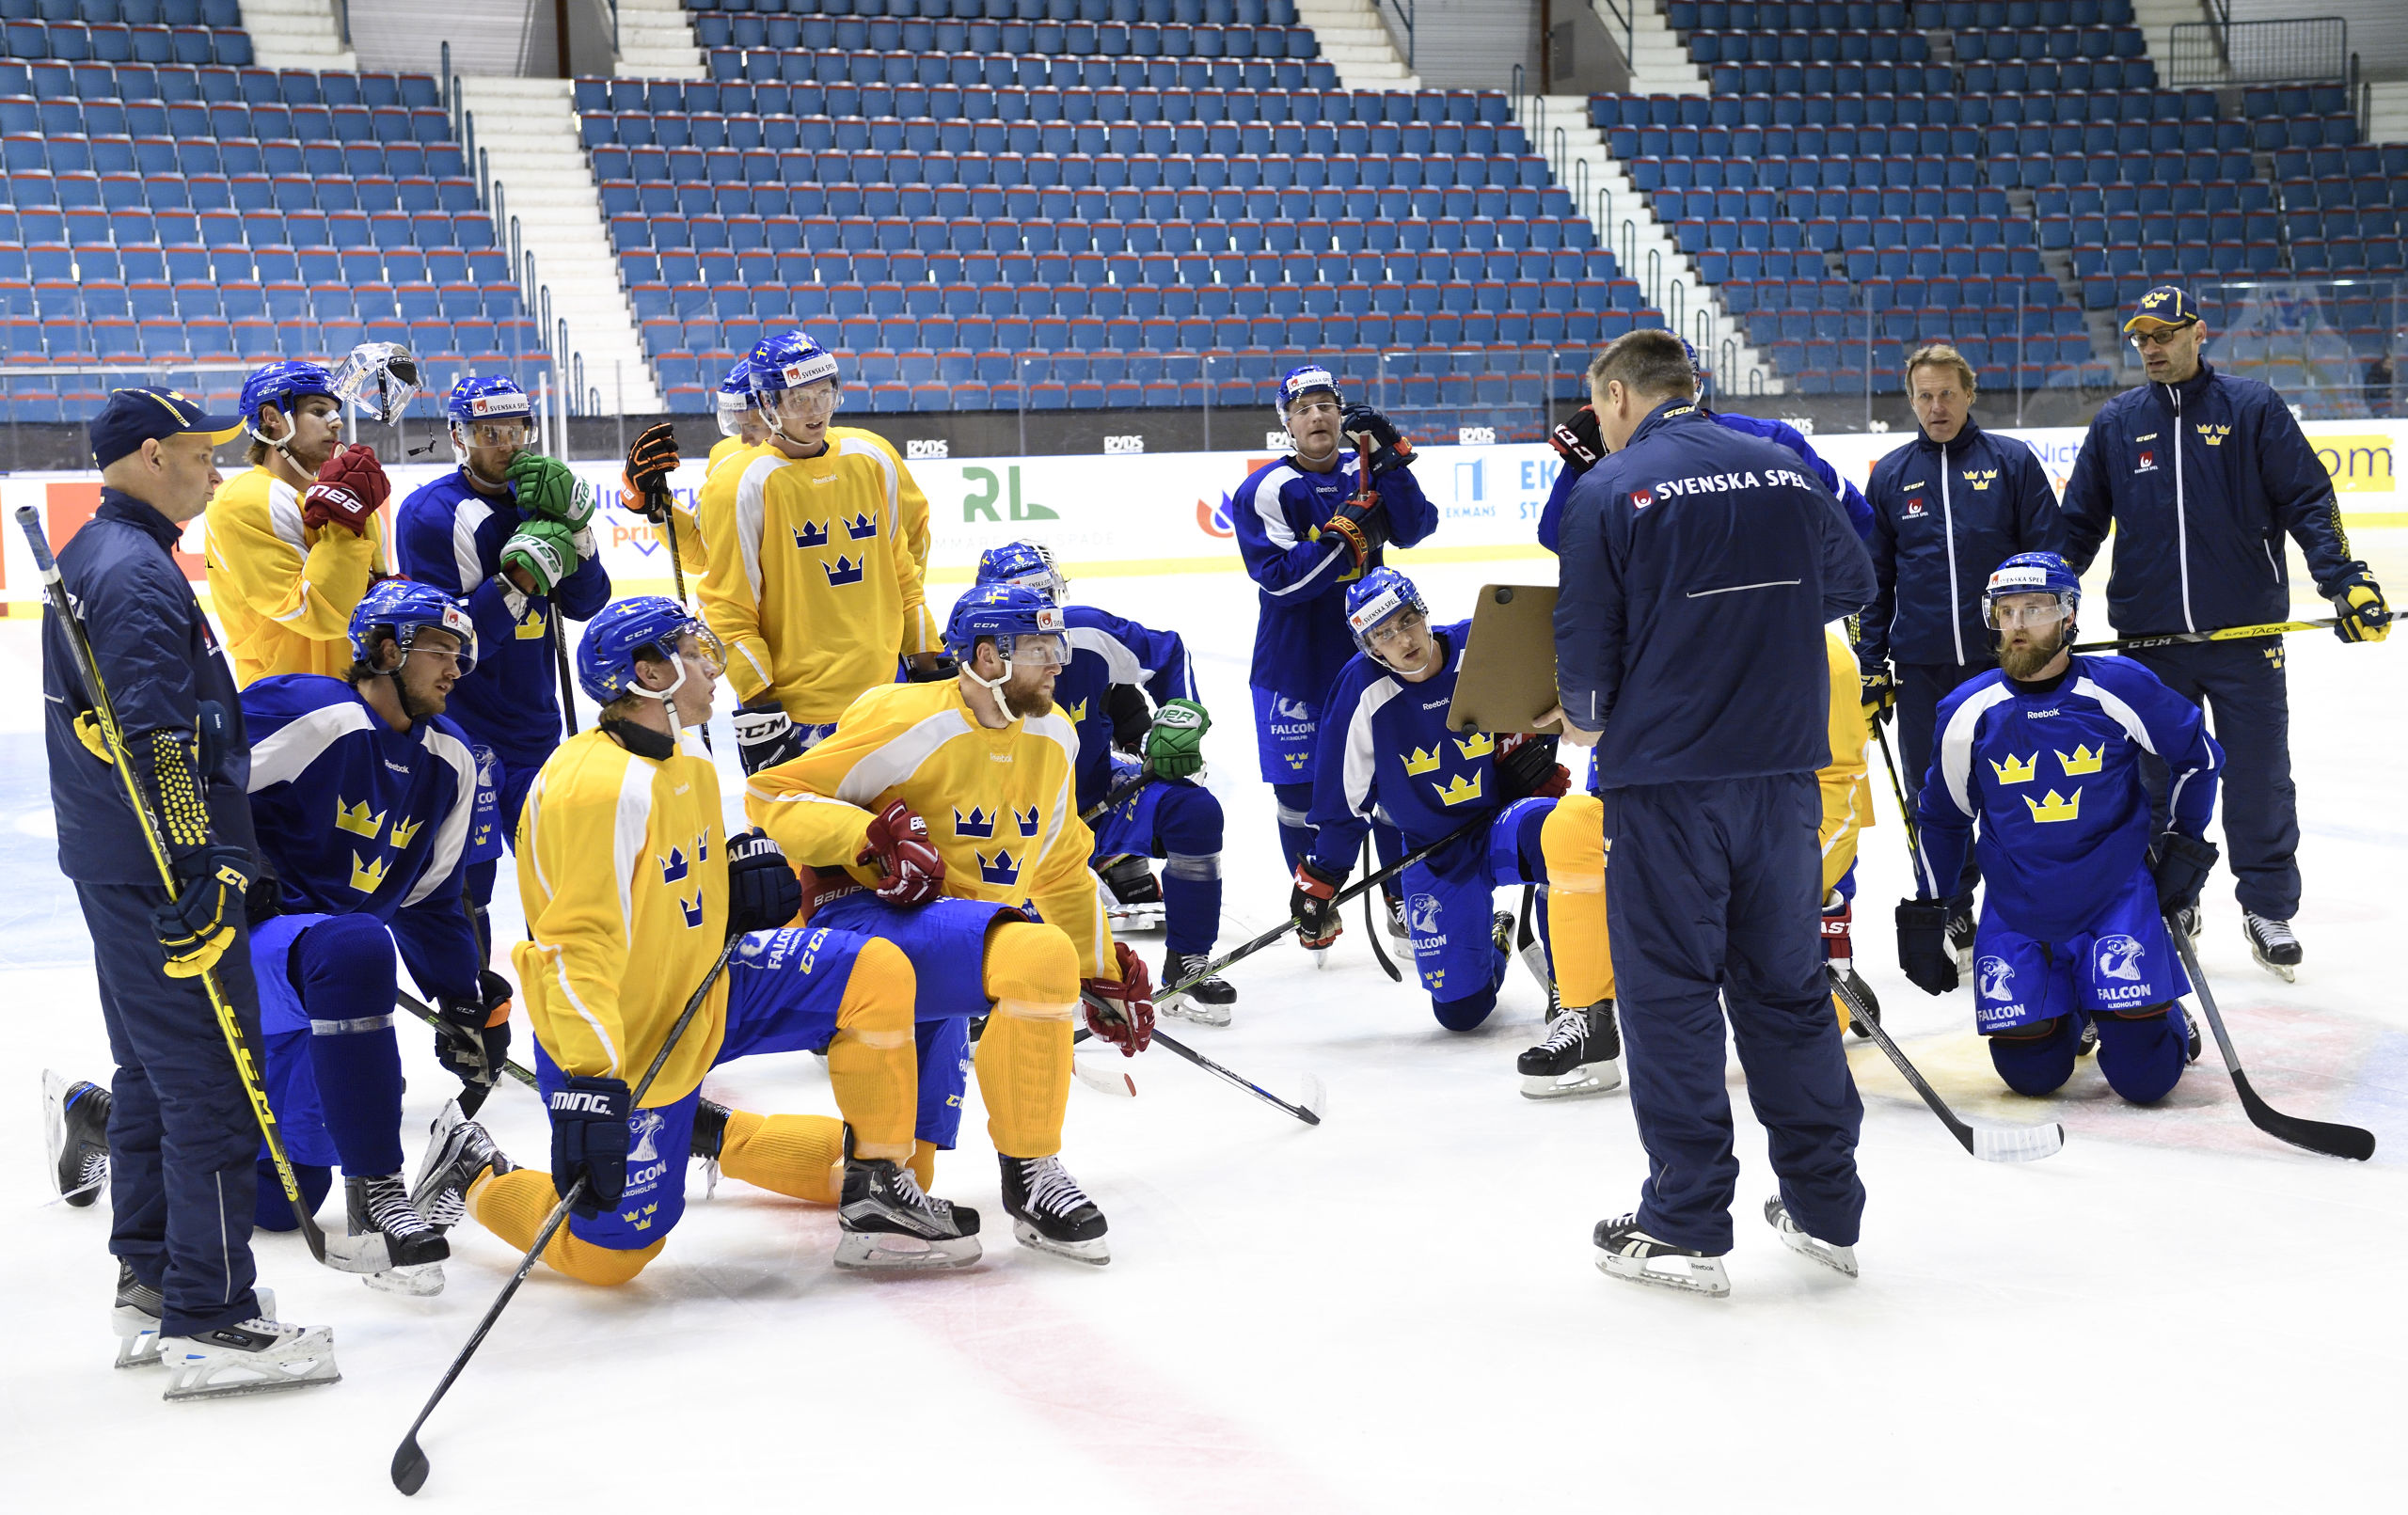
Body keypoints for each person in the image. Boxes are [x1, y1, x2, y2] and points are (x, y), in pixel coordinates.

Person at [411, 596, 981, 1283]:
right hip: (624, 1035)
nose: (715, 667)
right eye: (694, 651)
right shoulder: (594, 789)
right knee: (608, 1260)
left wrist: (733, 895)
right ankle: (472, 1167)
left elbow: (676, 891)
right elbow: (570, 951)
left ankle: (877, 1187)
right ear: (649, 674)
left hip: (710, 983)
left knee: (877, 972)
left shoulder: (688, 761)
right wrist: (593, 1085)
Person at [1550, 331, 1877, 1297]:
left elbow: (1584, 679)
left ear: (1616, 396)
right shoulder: (1780, 467)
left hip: (1665, 789)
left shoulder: (1609, 491)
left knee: (1670, 997)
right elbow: (1853, 584)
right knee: (1785, 991)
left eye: (1597, 408)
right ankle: (1826, 1209)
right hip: (1780, 782)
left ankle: (1685, 1223)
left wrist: (1584, 710)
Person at [42, 387, 335, 1397]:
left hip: (120, 862)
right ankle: (211, 1315)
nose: (219, 466)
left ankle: (154, 1279)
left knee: (153, 1072)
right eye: (205, 451)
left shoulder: (110, 554)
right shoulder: (128, 571)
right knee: (208, 1078)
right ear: (153, 454)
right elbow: (159, 741)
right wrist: (202, 863)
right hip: (161, 869)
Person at [744, 583, 1157, 1265]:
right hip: (874, 923)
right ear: (987, 657)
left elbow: (1057, 867)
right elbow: (775, 792)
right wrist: (865, 835)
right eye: (1039, 648)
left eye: (1057, 645)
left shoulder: (1054, 734)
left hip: (956, 947)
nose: (1058, 662)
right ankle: (1032, 1173)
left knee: (911, 1171)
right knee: (1036, 953)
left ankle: (721, 1136)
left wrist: (1099, 971)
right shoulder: (906, 719)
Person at [2062, 286, 2390, 981]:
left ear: (2199, 332)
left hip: (2247, 635)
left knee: (2259, 778)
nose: (2150, 348)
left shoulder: (2253, 408)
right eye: (2140, 338)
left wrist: (2346, 580)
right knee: (2155, 784)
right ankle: (2172, 898)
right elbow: (2077, 528)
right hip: (2152, 645)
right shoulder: (2117, 423)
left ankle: (2267, 906)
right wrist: (2047, 600)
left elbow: (2308, 499)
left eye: (2163, 334)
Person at [1898, 553, 2222, 1104]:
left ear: (2069, 617)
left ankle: (2154, 1012)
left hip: (2113, 895)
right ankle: (2078, 1001)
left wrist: (2184, 847)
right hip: (2019, 903)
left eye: (2035, 608)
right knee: (2032, 1076)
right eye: (2006, 611)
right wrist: (1931, 911)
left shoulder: (2120, 688)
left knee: (2146, 1081)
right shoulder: (1965, 710)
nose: (2018, 625)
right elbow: (1943, 817)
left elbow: (2198, 758)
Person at [1293, 570, 1580, 1048]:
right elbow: (1345, 799)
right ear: (1370, 648)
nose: (1403, 638)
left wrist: (1537, 758)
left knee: (1560, 836)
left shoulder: (1479, 646)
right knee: (1462, 1014)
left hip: (1503, 824)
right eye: (1383, 634)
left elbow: (1549, 690)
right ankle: (1493, 937)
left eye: (1407, 621)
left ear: (1423, 613)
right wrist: (1321, 876)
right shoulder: (1360, 691)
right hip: (1435, 851)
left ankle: (1571, 990)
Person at [394, 375, 612, 962]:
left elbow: (587, 603)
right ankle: (476, 1022)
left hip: (537, 733)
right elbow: (445, 648)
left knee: (571, 886)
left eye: (515, 429)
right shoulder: (431, 515)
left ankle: (579, 1017)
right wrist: (516, 581)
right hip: (465, 739)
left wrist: (578, 529)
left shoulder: (543, 497)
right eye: (488, 431)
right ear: (458, 437)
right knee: (470, 891)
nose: (506, 444)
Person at [974, 540, 1235, 1021]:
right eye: (1023, 609)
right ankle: (979, 977)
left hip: (1095, 800)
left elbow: (1169, 654)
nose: (1042, 622)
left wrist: (1180, 715)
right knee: (1026, 955)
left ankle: (1188, 963)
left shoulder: (1087, 633)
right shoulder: (966, 674)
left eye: (1047, 602)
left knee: (1194, 811)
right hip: (1002, 832)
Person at [1861, 343, 2065, 957]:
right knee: (1935, 798)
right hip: (1923, 671)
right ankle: (1951, 903)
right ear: (1911, 399)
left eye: (1947, 393)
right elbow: (1875, 580)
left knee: (2016, 790)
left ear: (1970, 393)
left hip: (2005, 666)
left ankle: (2022, 905)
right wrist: (1872, 664)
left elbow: (2051, 559)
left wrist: (2050, 647)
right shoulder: (1892, 475)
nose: (1936, 406)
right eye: (1924, 395)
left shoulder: (2011, 462)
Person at [697, 331, 942, 776]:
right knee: (807, 842)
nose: (815, 411)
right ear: (768, 404)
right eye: (798, 400)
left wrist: (926, 656)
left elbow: (901, 573)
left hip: (888, 693)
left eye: (823, 394)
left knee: (902, 839)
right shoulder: (739, 484)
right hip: (798, 708)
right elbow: (728, 607)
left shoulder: (871, 457)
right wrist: (759, 703)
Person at [1230, 364, 1437, 891]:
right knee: (1298, 797)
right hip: (1293, 666)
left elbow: (1416, 528)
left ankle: (1402, 896)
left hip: (1375, 659)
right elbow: (1279, 582)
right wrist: (1344, 536)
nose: (1316, 415)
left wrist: (1393, 459)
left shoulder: (1365, 471)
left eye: (1325, 404)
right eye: (1302, 409)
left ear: (1341, 413)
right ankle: (1314, 897)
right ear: (1287, 424)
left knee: (1395, 780)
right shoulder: (1266, 489)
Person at [201, 359, 392, 686]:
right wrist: (344, 518)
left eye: (335, 412)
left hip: (357, 697)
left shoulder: (347, 498)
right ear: (272, 418)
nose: (336, 424)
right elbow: (318, 613)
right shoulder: (243, 499)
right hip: (287, 706)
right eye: (318, 412)